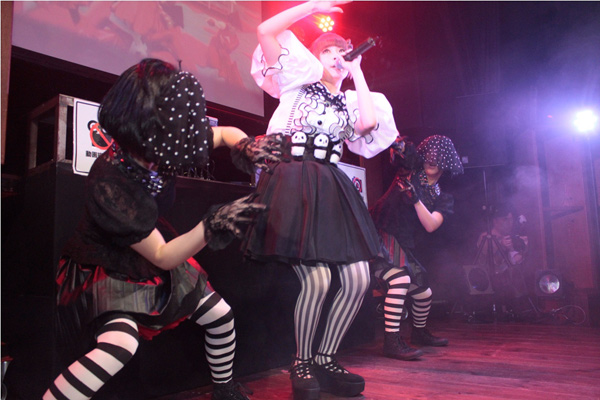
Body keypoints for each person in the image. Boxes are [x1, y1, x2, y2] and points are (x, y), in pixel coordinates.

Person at [43, 58, 285, 400]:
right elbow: (162, 255)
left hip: (151, 247)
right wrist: (214, 224)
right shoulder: (109, 181)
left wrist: (246, 144)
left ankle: (224, 390)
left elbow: (223, 134)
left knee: (220, 316)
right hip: (107, 266)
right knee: (119, 346)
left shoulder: (167, 139)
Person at [240, 1, 398, 399]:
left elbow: (368, 124)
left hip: (330, 185)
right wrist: (310, 5)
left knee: (359, 278)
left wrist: (356, 71)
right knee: (318, 278)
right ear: (313, 57)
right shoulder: (296, 79)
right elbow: (265, 32)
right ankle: (302, 361)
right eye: (329, 51)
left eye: (342, 51)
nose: (337, 57)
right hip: (293, 177)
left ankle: (326, 358)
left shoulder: (348, 101)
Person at [369, 134, 464, 361]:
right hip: (379, 232)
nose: (432, 160)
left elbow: (430, 225)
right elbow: (404, 152)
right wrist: (398, 144)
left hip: (401, 241)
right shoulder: (410, 170)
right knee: (400, 280)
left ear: (446, 163)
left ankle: (419, 334)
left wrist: (415, 200)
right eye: (429, 155)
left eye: (438, 157)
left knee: (424, 293)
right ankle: (391, 342)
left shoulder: (443, 197)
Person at [476, 203, 529, 308]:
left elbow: (515, 260)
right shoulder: (486, 237)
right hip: (488, 284)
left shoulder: (511, 237)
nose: (509, 223)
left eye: (511, 219)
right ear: (495, 221)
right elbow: (487, 255)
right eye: (505, 219)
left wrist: (525, 247)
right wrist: (500, 244)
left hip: (508, 287)